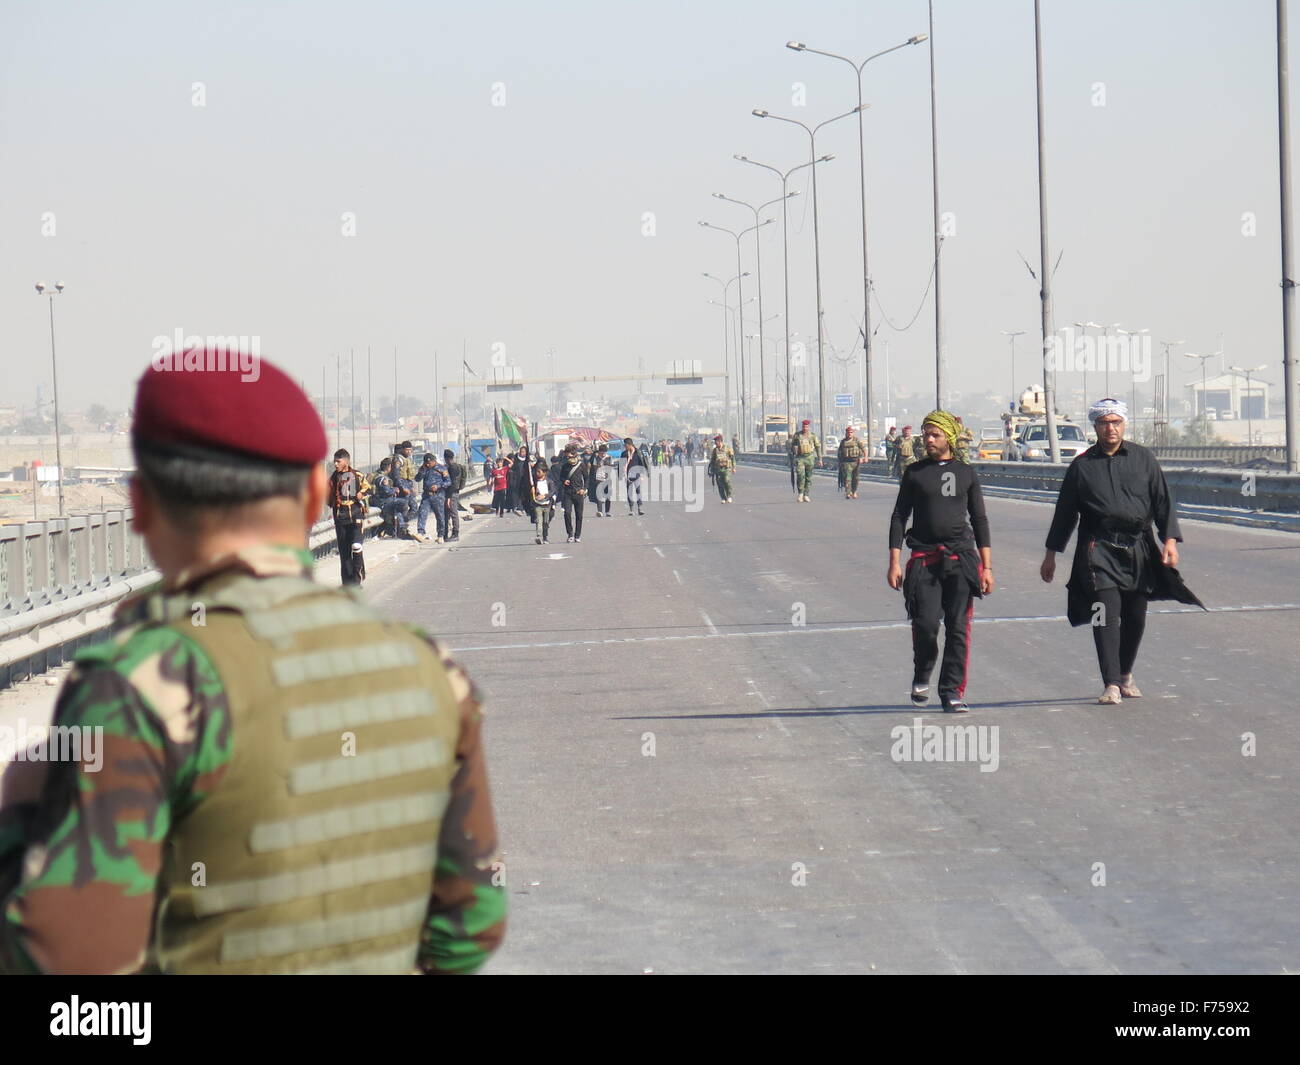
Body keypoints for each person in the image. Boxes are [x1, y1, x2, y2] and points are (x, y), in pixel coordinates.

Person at [0, 351, 505, 974]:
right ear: (319, 493)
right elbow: (472, 926)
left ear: (141, 504)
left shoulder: (141, 685)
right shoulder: (429, 669)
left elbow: (72, 965)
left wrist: (19, 820)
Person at [1041, 397, 1204, 704]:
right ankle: (1111, 684)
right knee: (1105, 612)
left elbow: (1162, 501)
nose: (1110, 428)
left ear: (1124, 424)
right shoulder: (1082, 466)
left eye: (1115, 422)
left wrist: (1169, 540)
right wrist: (1051, 554)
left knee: (1136, 615)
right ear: (1095, 427)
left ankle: (1125, 673)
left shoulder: (1143, 459)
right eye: (1104, 423)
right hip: (1098, 548)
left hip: (1138, 548)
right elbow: (1065, 513)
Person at [887, 410, 995, 714]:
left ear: (948, 436)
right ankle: (922, 673)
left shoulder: (966, 473)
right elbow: (899, 516)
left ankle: (951, 692)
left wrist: (987, 567)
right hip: (924, 559)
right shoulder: (915, 472)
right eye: (925, 434)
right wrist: (894, 561)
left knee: (959, 628)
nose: (928, 440)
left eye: (934, 434)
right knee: (925, 624)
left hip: (961, 559)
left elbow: (980, 519)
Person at [329, 448, 370, 585]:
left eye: (338, 461)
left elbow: (368, 487)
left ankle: (357, 578)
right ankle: (348, 583)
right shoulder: (333, 478)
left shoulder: (356, 475)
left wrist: (361, 494)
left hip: (356, 514)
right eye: (334, 461)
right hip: (340, 517)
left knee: (356, 546)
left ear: (346, 461)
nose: (335, 464)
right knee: (344, 552)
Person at [415, 452, 451, 543]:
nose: (428, 464)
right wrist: (422, 470)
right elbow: (417, 479)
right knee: (422, 513)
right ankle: (420, 532)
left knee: (439, 516)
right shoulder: (424, 469)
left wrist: (438, 486)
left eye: (429, 462)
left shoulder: (442, 468)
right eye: (426, 463)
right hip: (426, 495)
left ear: (434, 461)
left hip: (438, 495)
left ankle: (440, 535)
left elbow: (448, 482)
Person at [392, 440, 423, 540]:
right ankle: (402, 530)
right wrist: (402, 487)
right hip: (402, 485)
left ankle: (403, 523)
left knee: (414, 507)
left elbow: (411, 474)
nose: (409, 452)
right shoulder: (398, 459)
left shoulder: (408, 459)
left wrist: (412, 486)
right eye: (407, 450)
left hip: (409, 484)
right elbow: (396, 475)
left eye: (410, 450)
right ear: (403, 449)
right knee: (403, 507)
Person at [788, 419, 823, 502]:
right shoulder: (797, 435)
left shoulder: (812, 436)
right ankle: (800, 493)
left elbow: (818, 447)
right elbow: (792, 446)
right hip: (800, 458)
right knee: (800, 475)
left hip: (810, 458)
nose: (805, 428)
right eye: (804, 426)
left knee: (808, 477)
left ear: (808, 427)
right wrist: (792, 455)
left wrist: (820, 459)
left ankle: (806, 494)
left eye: (806, 426)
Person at [371, 457, 406, 539]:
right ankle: (400, 528)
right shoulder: (383, 478)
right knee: (403, 503)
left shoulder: (376, 475)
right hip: (383, 501)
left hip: (377, 501)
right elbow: (386, 491)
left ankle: (394, 529)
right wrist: (394, 490)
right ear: (389, 467)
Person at [559, 444, 587, 542]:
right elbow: (561, 477)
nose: (568, 458)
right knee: (567, 513)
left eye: (569, 456)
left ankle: (577, 535)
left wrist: (584, 489)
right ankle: (570, 534)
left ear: (574, 455)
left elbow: (586, 478)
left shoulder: (581, 465)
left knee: (579, 515)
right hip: (568, 493)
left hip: (579, 493)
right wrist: (564, 481)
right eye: (566, 457)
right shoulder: (565, 466)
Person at [531, 456, 555, 544]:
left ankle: (545, 537)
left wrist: (545, 496)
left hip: (547, 504)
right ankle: (538, 536)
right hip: (538, 504)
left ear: (544, 473)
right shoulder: (534, 482)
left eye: (539, 472)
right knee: (538, 520)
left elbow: (553, 491)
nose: (537, 473)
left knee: (546, 522)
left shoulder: (549, 481)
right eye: (536, 471)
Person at [838, 425, 867, 499]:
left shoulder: (857, 440)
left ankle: (854, 491)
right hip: (846, 462)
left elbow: (864, 449)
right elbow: (839, 452)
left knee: (856, 478)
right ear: (846, 433)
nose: (849, 434)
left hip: (856, 462)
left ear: (853, 433)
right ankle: (848, 492)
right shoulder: (843, 442)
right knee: (847, 478)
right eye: (848, 432)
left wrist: (865, 457)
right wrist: (840, 462)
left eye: (851, 432)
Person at [443, 448, 465, 542]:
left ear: (446, 458)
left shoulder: (452, 468)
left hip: (452, 494)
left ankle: (455, 533)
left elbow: (453, 484)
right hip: (452, 493)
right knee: (448, 513)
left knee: (453, 513)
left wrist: (448, 497)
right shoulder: (455, 466)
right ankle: (446, 534)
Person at [623, 437, 648, 516]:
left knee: (638, 491)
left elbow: (642, 463)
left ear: (630, 444)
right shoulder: (624, 454)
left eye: (626, 445)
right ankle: (631, 509)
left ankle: (640, 508)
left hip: (637, 475)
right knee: (629, 493)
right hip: (627, 476)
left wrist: (643, 475)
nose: (625, 446)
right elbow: (621, 464)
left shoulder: (638, 453)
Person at [709, 434, 735, 503]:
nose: (715, 443)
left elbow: (732, 458)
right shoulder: (715, 450)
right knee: (720, 484)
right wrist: (711, 470)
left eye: (716, 441)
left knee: (726, 481)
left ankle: (729, 496)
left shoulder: (727, 448)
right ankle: (723, 498)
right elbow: (712, 460)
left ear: (720, 441)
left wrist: (734, 467)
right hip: (718, 469)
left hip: (726, 468)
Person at [590, 444, 614, 517]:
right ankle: (600, 511)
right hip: (598, 479)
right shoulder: (596, 458)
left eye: (604, 453)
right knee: (599, 495)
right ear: (599, 452)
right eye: (601, 453)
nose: (603, 454)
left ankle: (607, 511)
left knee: (608, 496)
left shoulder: (609, 457)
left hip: (607, 479)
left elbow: (611, 467)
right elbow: (594, 469)